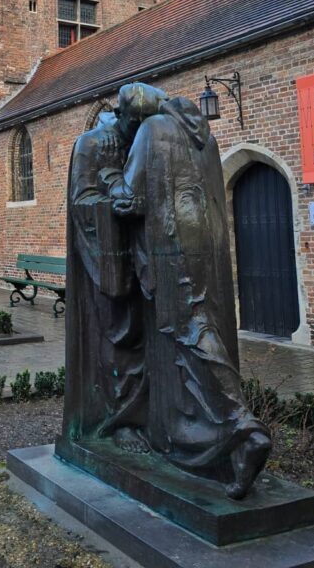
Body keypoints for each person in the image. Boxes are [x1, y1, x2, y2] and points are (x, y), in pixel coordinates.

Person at [109, 95, 271, 499]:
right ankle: (199, 438)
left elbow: (130, 200)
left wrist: (113, 180)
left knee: (190, 330)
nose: (126, 125)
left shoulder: (151, 131)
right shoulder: (206, 137)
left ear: (137, 112)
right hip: (208, 242)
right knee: (202, 324)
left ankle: (242, 427)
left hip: (171, 243)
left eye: (127, 117)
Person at [61, 83, 166, 454]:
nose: (139, 132)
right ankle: (122, 421)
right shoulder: (93, 144)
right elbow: (81, 201)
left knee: (152, 333)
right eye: (134, 124)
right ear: (121, 116)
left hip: (149, 254)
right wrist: (112, 200)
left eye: (145, 125)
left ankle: (154, 414)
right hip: (110, 256)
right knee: (122, 335)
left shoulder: (151, 138)